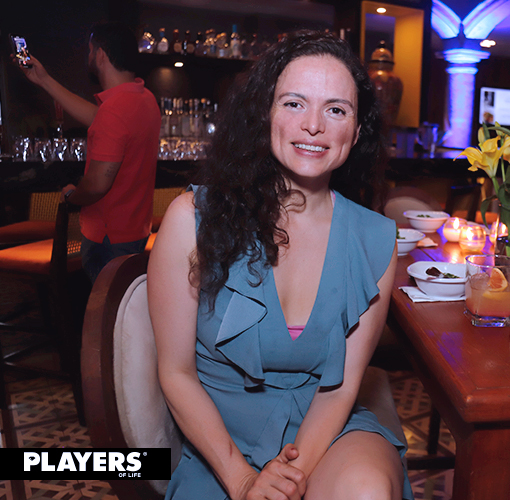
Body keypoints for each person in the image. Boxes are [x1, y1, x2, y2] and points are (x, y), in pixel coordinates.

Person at [147, 30, 412, 500]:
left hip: (327, 435)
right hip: (221, 447)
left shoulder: (376, 239)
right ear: (265, 114)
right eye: (294, 103)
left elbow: (340, 389)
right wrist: (244, 480)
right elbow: (175, 372)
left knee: (366, 490)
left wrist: (287, 481)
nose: (314, 125)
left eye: (336, 110)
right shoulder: (192, 220)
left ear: (356, 131)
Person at [16, 22, 161, 283]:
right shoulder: (145, 99)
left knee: (100, 307)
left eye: (91, 50)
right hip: (135, 230)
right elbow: (99, 118)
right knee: (121, 303)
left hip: (108, 238)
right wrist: (44, 80)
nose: (89, 55)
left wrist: (72, 195)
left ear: (101, 55)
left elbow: (96, 185)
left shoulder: (114, 110)